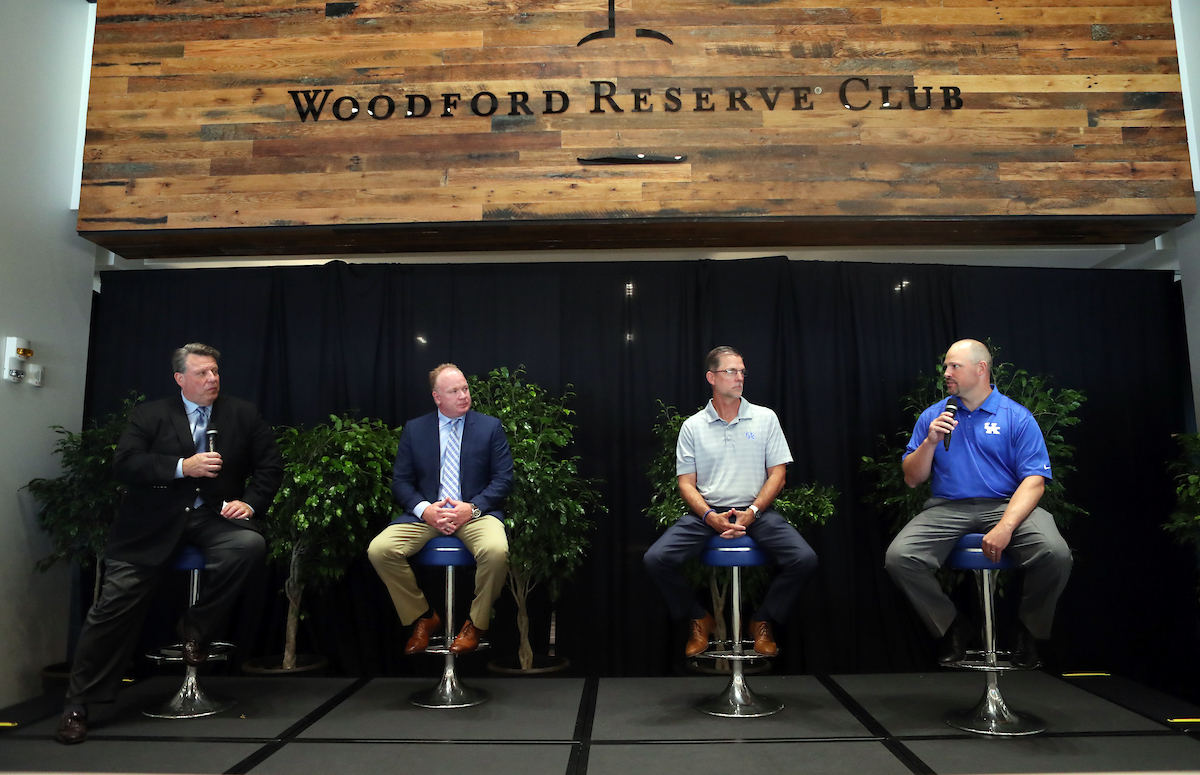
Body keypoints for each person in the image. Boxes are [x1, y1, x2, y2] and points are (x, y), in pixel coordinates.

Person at [56, 343, 283, 745]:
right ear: (180, 379)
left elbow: (270, 467)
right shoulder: (150, 414)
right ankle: (79, 705)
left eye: (215, 372)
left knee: (248, 546)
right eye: (202, 374)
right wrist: (182, 466)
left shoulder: (242, 413)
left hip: (213, 517)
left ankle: (195, 626)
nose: (212, 379)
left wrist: (249, 503)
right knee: (112, 607)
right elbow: (125, 464)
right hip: (151, 524)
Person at [885, 338, 1072, 668]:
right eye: (946, 366)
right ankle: (953, 626)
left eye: (954, 366)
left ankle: (1027, 631)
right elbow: (913, 478)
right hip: (947, 507)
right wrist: (929, 442)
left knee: (1055, 554)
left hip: (1005, 504)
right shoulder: (933, 415)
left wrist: (1005, 526)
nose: (946, 373)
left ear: (981, 369)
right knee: (900, 557)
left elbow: (1034, 482)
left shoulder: (1016, 417)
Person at [643, 346, 818, 658]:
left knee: (804, 559)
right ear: (712, 377)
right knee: (655, 559)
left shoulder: (765, 419)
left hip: (757, 512)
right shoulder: (692, 426)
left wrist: (752, 512)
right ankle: (699, 617)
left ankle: (762, 620)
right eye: (731, 371)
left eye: (742, 372)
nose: (739, 378)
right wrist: (710, 516)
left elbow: (778, 475)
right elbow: (686, 484)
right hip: (706, 515)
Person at [368, 363, 512, 656]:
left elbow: (504, 480)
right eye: (454, 391)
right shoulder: (415, 429)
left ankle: (475, 623)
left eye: (465, 388)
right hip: (428, 514)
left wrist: (470, 509)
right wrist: (425, 510)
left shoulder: (489, 427)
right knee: (379, 550)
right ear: (437, 397)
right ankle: (423, 616)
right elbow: (401, 483)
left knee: (497, 551)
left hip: (474, 513)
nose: (463, 395)